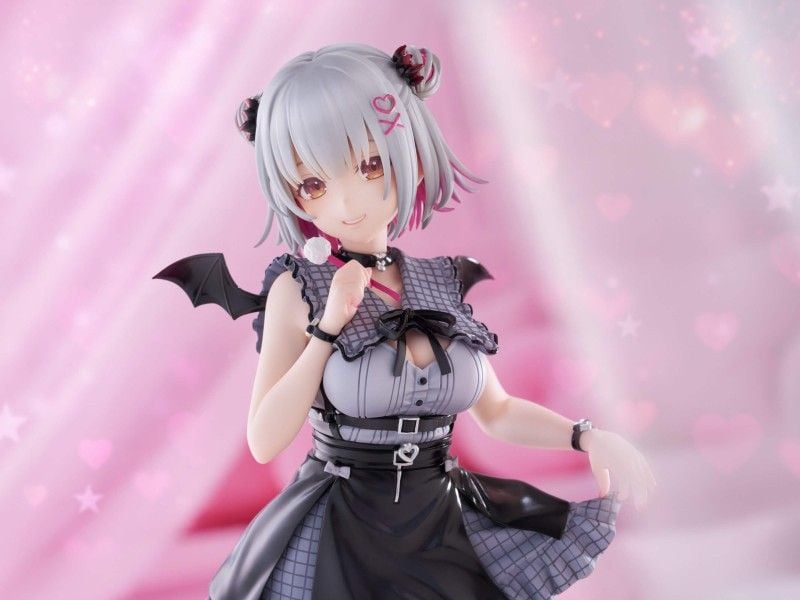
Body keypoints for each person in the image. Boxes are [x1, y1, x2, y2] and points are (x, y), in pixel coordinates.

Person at [204, 42, 655, 600]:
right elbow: (265, 440)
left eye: (370, 166)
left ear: (408, 154)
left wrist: (586, 437)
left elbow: (498, 412)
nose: (348, 203)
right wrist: (326, 329)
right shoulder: (299, 287)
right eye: (314, 185)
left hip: (439, 517)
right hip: (342, 524)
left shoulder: (441, 281)